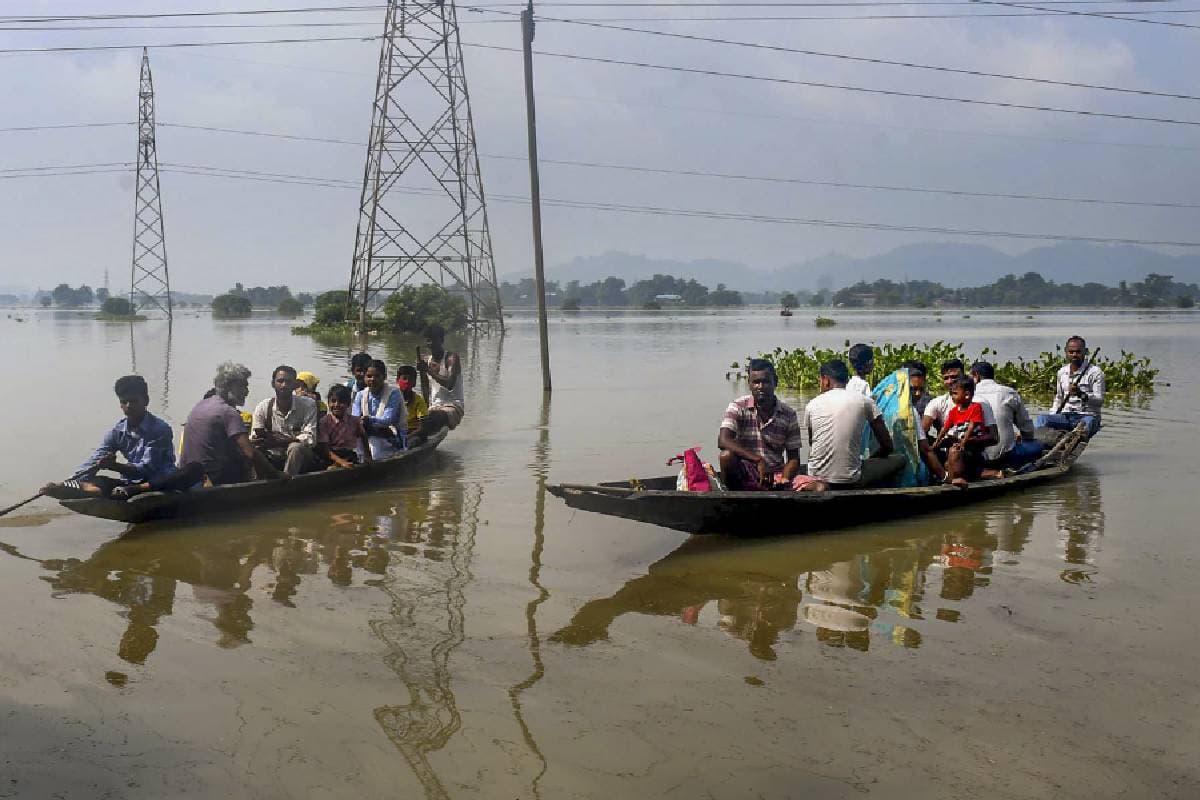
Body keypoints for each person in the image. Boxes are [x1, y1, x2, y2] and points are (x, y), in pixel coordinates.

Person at [41, 375, 200, 500]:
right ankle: (87, 490)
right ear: (120, 405)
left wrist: (114, 466)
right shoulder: (118, 431)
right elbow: (93, 461)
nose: (129, 406)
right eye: (124, 402)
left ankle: (134, 491)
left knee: (194, 470)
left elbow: (145, 469)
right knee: (97, 481)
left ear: (146, 401)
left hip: (158, 483)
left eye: (134, 401)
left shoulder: (160, 429)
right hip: (126, 486)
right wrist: (68, 482)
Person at [180, 362, 283, 486]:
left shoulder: (201, 404)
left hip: (189, 474)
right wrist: (276, 475)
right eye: (243, 386)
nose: (246, 391)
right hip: (212, 477)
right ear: (229, 386)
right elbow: (249, 453)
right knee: (252, 456)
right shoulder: (228, 412)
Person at [803, 359, 894, 491]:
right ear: (847, 380)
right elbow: (887, 445)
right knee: (900, 460)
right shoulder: (865, 401)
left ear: (825, 380)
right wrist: (873, 459)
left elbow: (812, 443)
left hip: (816, 476)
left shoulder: (811, 405)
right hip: (851, 479)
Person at [718, 358, 803, 490]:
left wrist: (784, 480)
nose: (760, 387)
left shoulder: (788, 414)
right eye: (756, 382)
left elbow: (794, 458)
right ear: (750, 384)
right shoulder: (738, 406)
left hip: (776, 474)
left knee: (819, 487)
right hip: (746, 473)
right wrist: (758, 460)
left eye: (766, 382)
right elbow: (723, 440)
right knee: (725, 456)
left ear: (776, 382)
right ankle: (735, 499)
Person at [923, 376, 996, 488]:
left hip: (973, 444)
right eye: (952, 393)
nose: (952, 396)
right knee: (946, 460)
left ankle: (958, 478)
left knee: (954, 451)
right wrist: (936, 443)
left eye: (955, 394)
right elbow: (945, 428)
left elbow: (972, 426)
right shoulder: (953, 411)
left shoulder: (975, 407)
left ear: (967, 395)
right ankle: (951, 479)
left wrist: (964, 442)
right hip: (959, 442)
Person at [969, 361, 1041, 472]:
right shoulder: (1008, 393)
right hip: (1007, 457)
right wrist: (1025, 439)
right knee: (1037, 446)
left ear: (976, 376)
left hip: (978, 458)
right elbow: (1027, 428)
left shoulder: (968, 395)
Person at [250, 365, 321, 476]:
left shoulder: (308, 405)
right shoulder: (263, 407)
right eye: (280, 381)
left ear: (295, 385)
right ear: (273, 384)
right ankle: (258, 481)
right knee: (254, 450)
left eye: (288, 381)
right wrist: (260, 439)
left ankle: (287, 482)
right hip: (274, 454)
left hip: (302, 457)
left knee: (295, 448)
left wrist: (283, 441)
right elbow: (254, 436)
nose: (284, 385)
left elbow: (310, 438)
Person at [1036, 336, 1104, 438]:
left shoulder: (1095, 372)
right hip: (1065, 416)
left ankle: (1074, 437)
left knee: (1086, 425)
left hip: (1088, 416)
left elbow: (1099, 401)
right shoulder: (1062, 372)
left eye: (1078, 352)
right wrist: (1053, 415)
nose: (1074, 355)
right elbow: (1059, 398)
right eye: (1071, 352)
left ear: (1085, 352)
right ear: (1066, 352)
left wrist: (1080, 394)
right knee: (1042, 419)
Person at [922, 358, 998, 441]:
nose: (950, 381)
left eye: (954, 377)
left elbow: (994, 437)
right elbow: (922, 433)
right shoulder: (936, 403)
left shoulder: (980, 402)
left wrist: (968, 441)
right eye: (946, 378)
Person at [414, 324, 464, 441]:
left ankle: (410, 438)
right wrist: (423, 408)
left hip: (453, 406)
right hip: (434, 407)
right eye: (428, 340)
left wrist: (429, 371)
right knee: (412, 417)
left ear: (441, 340)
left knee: (430, 419)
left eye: (433, 340)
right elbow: (425, 388)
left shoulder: (452, 358)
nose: (430, 343)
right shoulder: (427, 360)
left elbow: (450, 385)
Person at [353, 359, 406, 458]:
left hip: (390, 436)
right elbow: (354, 418)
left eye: (377, 376)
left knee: (374, 453)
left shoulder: (394, 393)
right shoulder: (360, 395)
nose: (372, 379)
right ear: (364, 377)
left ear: (384, 377)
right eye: (369, 376)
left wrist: (368, 419)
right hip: (366, 434)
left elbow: (387, 420)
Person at [317, 384, 372, 469]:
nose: (337, 405)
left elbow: (363, 436)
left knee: (355, 463)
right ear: (328, 403)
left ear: (348, 404)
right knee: (331, 469)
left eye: (341, 402)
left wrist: (367, 455)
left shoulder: (354, 421)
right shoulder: (324, 422)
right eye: (333, 401)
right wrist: (341, 462)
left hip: (349, 454)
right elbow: (326, 449)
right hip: (331, 456)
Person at [395, 364, 428, 436]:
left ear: (414, 383)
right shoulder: (392, 398)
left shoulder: (418, 401)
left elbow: (423, 427)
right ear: (397, 380)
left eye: (410, 380)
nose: (407, 382)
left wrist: (407, 437)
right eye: (404, 378)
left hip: (413, 432)